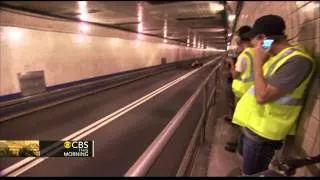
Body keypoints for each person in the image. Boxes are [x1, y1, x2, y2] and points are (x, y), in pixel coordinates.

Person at [232, 14, 316, 175]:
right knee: (244, 165)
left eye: (254, 41)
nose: (252, 46)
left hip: (262, 133)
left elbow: (262, 96)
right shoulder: (274, 57)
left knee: (253, 173)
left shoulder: (297, 61)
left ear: (263, 38)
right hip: (252, 125)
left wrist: (258, 62)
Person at [224, 25, 255, 152]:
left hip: (242, 92)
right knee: (244, 121)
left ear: (241, 40)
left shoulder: (245, 55)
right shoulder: (257, 52)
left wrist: (231, 63)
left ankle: (236, 144)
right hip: (251, 92)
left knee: (239, 121)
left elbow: (234, 74)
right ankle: (239, 145)